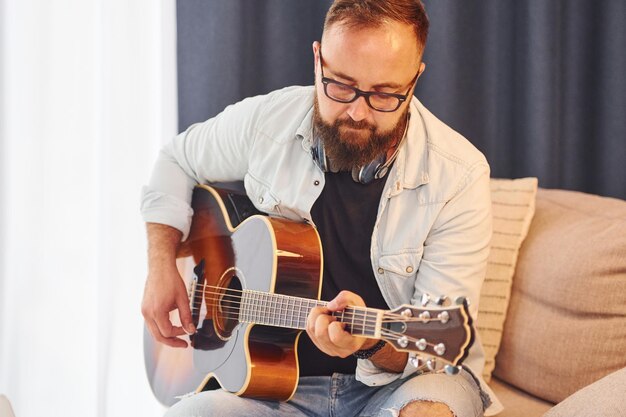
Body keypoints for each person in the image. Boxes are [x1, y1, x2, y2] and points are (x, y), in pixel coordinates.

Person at [141, 1, 503, 416]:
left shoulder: (459, 174)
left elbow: (437, 354)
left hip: (404, 384)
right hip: (272, 386)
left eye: (384, 94)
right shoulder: (267, 122)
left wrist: (371, 343)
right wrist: (161, 266)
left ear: (415, 78)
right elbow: (175, 160)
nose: (357, 111)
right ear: (317, 59)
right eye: (341, 86)